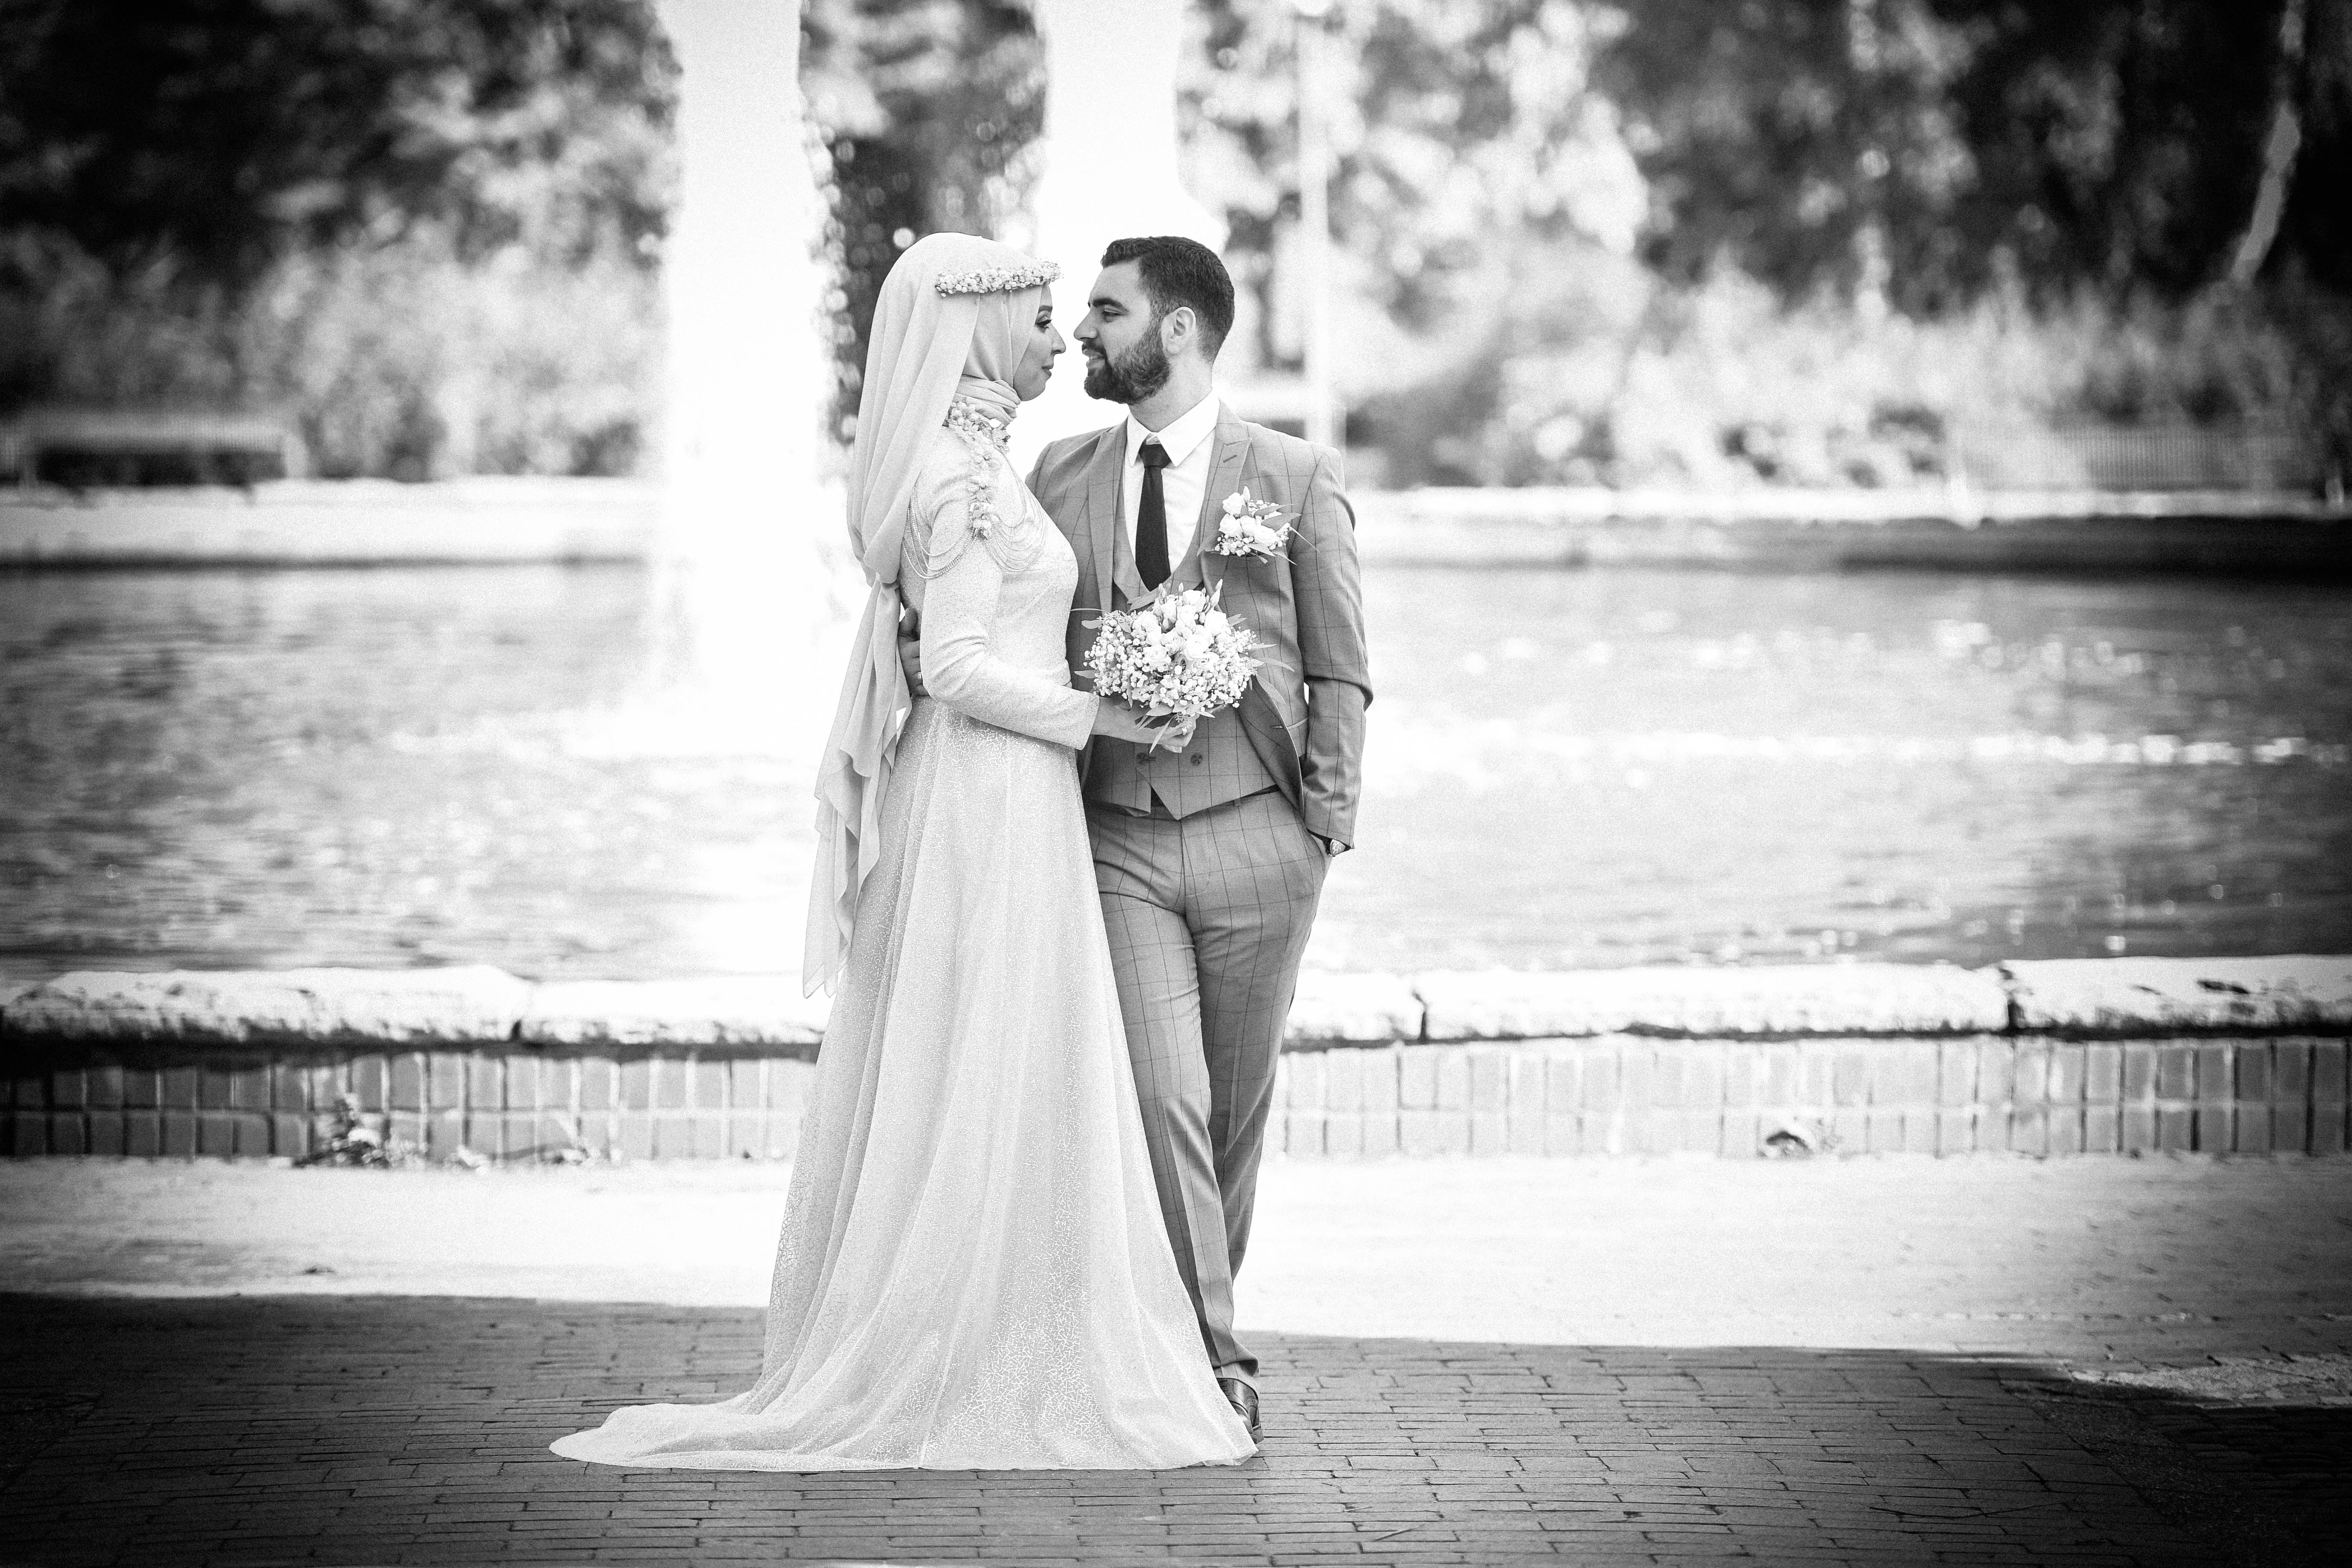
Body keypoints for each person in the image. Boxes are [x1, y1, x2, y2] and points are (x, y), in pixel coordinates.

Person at [550, 231, 1254, 1472]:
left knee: (996, 1056)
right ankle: (963, 1341)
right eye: (1041, 320)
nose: (1059, 341)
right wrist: (1106, 715)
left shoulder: (981, 462)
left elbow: (973, 641)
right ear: (977, 331)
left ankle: (1009, 1319)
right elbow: (959, 669)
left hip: (1007, 790)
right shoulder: (960, 479)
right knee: (985, 1049)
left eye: (1067, 318)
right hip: (990, 797)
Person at [906, 236, 1372, 1441]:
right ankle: (1212, 1360)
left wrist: (1322, 828)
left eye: (1106, 313)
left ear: (1175, 330)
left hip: (1264, 837)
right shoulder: (1056, 470)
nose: (1082, 335)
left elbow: (1341, 667)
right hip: (1115, 836)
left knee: (1233, 1111)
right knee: (1162, 1098)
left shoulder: (1295, 475)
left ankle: (1195, 1324)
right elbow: (1006, 620)